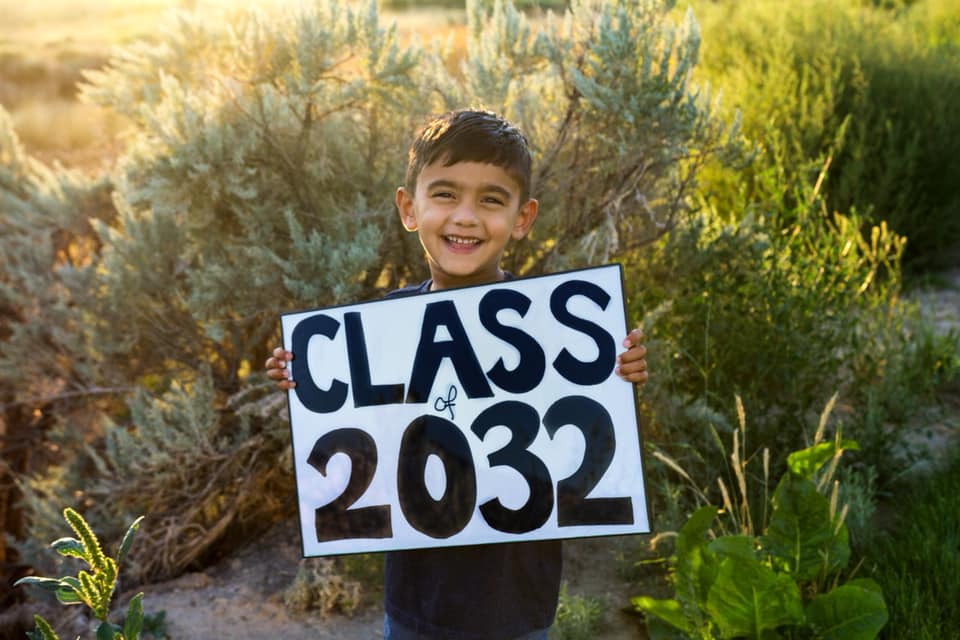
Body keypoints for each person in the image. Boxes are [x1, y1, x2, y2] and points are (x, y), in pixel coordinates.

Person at [264, 109, 648, 640]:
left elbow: (588, 449)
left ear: (522, 217)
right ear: (409, 207)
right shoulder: (380, 330)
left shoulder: (553, 330)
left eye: (491, 199)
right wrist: (306, 374)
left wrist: (619, 375)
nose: (466, 217)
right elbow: (361, 443)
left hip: (519, 607)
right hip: (416, 605)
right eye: (445, 194)